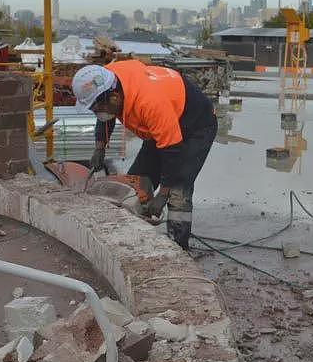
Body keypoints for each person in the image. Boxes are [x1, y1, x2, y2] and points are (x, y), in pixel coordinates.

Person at [71, 60, 217, 249]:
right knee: (136, 183)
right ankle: (134, 237)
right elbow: (105, 116)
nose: (96, 113)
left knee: (178, 191)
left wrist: (163, 195)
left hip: (195, 126)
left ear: (114, 98)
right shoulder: (105, 78)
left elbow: (171, 152)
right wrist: (100, 146)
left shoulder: (150, 103)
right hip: (162, 124)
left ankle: (178, 247)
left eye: (96, 108)